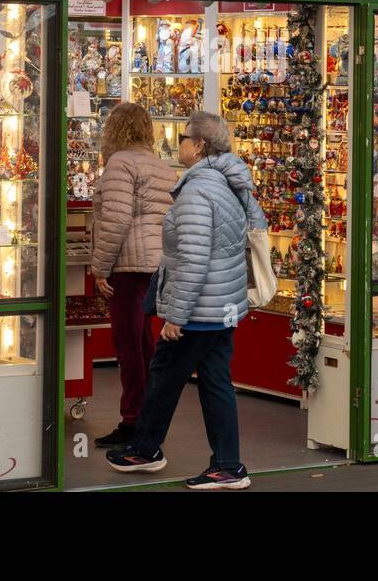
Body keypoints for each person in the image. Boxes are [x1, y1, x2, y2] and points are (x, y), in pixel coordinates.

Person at [106, 111, 266, 490]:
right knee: (211, 381)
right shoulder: (227, 184)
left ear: (198, 146)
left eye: (182, 137)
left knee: (165, 375)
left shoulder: (198, 192)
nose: (176, 142)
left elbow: (194, 257)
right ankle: (223, 464)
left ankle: (147, 450)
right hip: (221, 303)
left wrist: (176, 316)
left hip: (199, 308)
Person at [89, 103, 175, 449]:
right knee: (144, 344)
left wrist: (100, 267)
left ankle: (133, 421)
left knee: (128, 346)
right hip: (155, 264)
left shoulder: (120, 164)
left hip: (127, 265)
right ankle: (147, 417)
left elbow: (116, 220)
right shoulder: (161, 166)